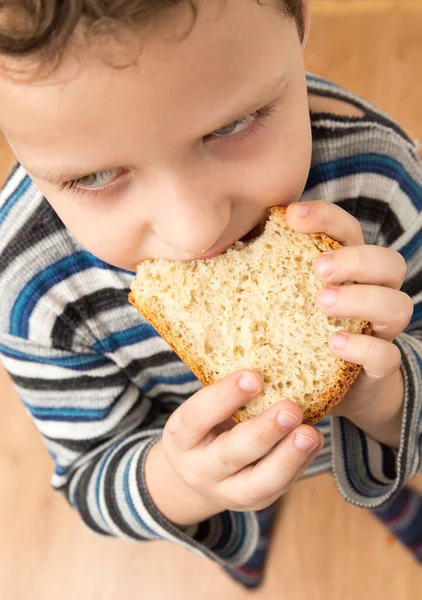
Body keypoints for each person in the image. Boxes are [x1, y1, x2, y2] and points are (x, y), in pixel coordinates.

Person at [0, 0, 421, 590]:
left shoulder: (379, 175)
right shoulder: (30, 288)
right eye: (93, 177)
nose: (195, 229)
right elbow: (91, 475)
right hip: (202, 494)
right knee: (235, 531)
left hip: (362, 440)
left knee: (388, 474)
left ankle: (390, 499)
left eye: (231, 125)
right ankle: (245, 551)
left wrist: (383, 396)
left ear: (298, 21)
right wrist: (183, 485)